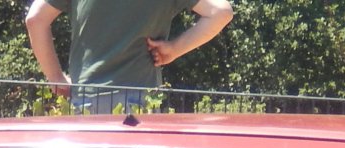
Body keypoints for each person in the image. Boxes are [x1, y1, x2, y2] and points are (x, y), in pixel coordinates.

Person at [25, 0, 233, 113]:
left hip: (87, 99)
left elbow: (35, 19)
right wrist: (174, 49)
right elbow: (221, 12)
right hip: (140, 104)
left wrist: (57, 79)